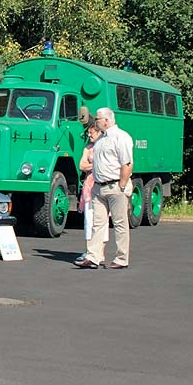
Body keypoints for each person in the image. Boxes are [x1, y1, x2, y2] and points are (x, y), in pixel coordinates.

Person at [76, 107, 134, 270]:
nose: (96, 122)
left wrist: (122, 185)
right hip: (99, 187)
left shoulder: (121, 137)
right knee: (97, 223)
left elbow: (127, 163)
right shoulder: (101, 139)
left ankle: (121, 258)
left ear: (107, 120)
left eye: (98, 119)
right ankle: (93, 257)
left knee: (120, 224)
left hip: (115, 185)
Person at [74, 123, 103, 265]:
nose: (89, 135)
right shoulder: (88, 148)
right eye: (89, 132)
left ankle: (100, 252)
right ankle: (89, 251)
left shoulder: (104, 146)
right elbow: (81, 165)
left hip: (101, 184)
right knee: (89, 219)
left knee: (101, 221)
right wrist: (97, 166)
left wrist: (91, 166)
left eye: (92, 133)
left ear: (99, 133)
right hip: (89, 186)